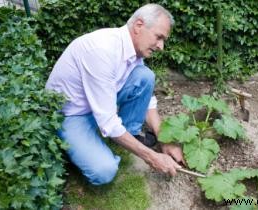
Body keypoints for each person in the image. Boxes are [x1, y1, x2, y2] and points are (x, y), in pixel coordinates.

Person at [46, 3, 185, 185]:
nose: (161, 46)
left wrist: (163, 138)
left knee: (145, 77)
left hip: (96, 103)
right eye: (159, 37)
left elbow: (146, 97)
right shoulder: (101, 50)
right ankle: (77, 144)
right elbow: (108, 122)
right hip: (71, 114)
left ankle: (129, 134)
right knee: (104, 171)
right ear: (138, 26)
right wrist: (151, 157)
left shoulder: (132, 50)